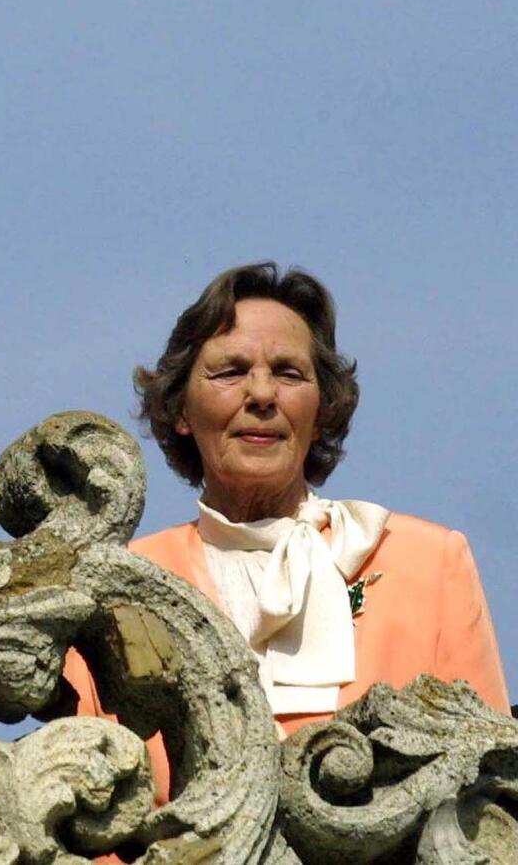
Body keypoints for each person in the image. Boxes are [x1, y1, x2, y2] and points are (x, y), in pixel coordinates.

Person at [64, 262, 509, 806]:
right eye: (230, 371)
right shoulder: (118, 591)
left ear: (322, 411)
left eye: (289, 373)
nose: (261, 394)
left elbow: (490, 794)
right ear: (181, 409)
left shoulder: (430, 562)